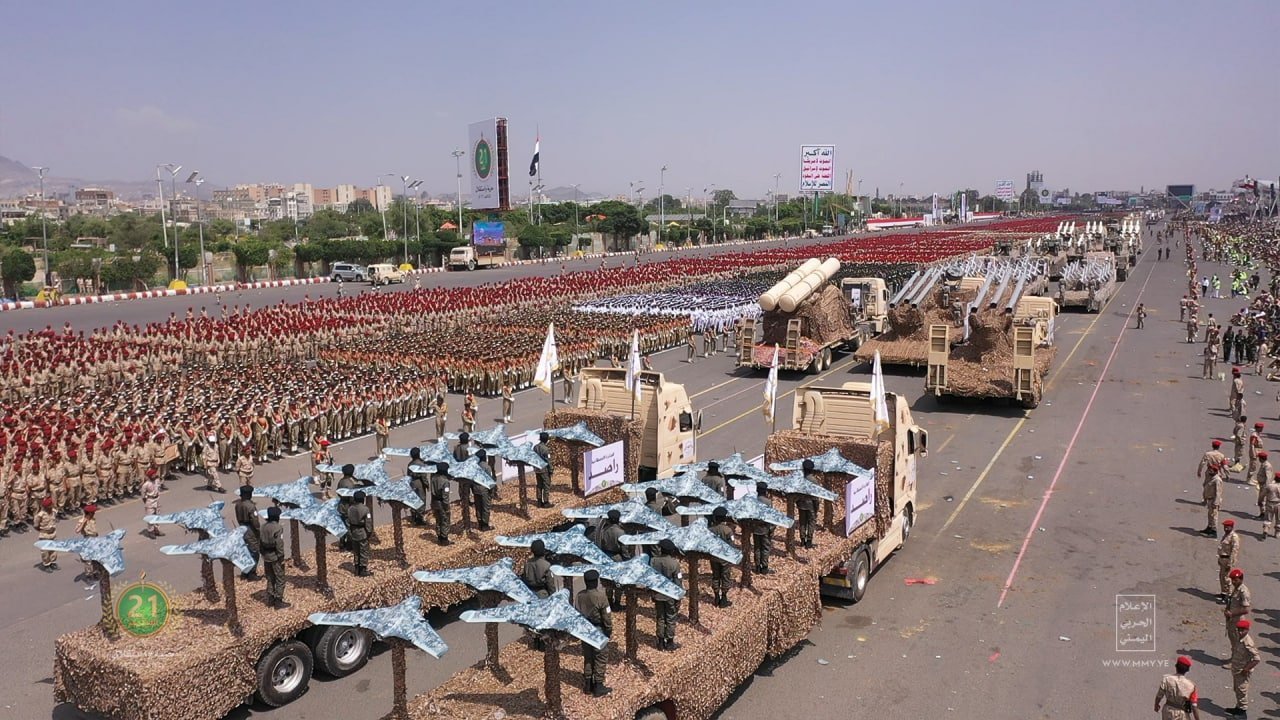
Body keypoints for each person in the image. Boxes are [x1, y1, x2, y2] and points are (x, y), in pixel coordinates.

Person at [575, 568, 612, 697]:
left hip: (585, 630)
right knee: (600, 657)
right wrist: (608, 630)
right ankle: (599, 685)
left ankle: (587, 683)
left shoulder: (579, 596)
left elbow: (577, 613)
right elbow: (606, 616)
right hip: (598, 629)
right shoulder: (601, 596)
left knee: (588, 657)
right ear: (596, 581)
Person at [651, 538, 683, 650]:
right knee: (670, 617)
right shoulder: (674, 563)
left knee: (660, 617)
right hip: (670, 594)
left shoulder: (654, 561)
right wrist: (679, 596)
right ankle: (669, 642)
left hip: (658, 592)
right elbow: (678, 581)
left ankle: (660, 642)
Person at [1229, 619, 1260, 717]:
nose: (1240, 632)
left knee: (1242, 691)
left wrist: (1246, 669)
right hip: (1237, 669)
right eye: (1239, 630)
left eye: (1243, 630)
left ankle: (1242, 713)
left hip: (1242, 671)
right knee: (1237, 689)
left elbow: (1256, 659)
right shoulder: (1240, 638)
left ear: (1247, 630)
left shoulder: (1248, 642)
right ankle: (1238, 708)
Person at [1153, 655, 1200, 720]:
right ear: (1187, 670)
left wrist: (1156, 704)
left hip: (1168, 711)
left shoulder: (1166, 680)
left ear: (1176, 666)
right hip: (1182, 714)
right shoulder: (1191, 686)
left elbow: (1159, 695)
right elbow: (1194, 706)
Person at [709, 506, 735, 607]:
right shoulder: (728, 530)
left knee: (715, 576)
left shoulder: (710, 530)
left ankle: (716, 596)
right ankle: (724, 597)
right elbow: (732, 545)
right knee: (725, 576)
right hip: (725, 557)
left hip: (714, 557)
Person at [261, 506, 287, 607]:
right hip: (275, 556)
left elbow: (260, 543)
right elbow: (279, 544)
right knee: (280, 578)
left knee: (270, 577)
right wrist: (281, 557)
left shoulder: (263, 526)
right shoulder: (278, 528)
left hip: (266, 556)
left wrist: (263, 553)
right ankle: (278, 600)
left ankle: (270, 598)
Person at [234, 485, 261, 579]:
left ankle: (245, 571)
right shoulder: (250, 506)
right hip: (250, 530)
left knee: (246, 551)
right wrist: (258, 531)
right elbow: (255, 522)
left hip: (242, 527)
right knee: (254, 552)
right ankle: (251, 573)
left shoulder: (238, 505)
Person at [1224, 568, 1251, 653]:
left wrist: (1231, 613)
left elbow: (1246, 609)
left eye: (1235, 580)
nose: (1233, 582)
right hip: (1232, 620)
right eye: (1232, 580)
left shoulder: (1243, 592)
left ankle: (1234, 663)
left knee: (1236, 642)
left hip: (1237, 620)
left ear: (1241, 579)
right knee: (1233, 640)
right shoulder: (1236, 589)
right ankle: (1233, 659)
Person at [347, 490, 372, 577]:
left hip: (353, 531)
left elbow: (348, 521)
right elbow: (368, 522)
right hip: (362, 532)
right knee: (363, 550)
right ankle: (363, 569)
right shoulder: (365, 509)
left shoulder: (350, 508)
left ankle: (356, 567)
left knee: (356, 551)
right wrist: (369, 532)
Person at [797, 459, 820, 548]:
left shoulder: (800, 479)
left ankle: (802, 540)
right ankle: (809, 541)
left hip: (801, 503)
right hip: (810, 504)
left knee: (802, 522)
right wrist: (816, 506)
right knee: (811, 522)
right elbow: (816, 495)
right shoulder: (813, 480)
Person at [428, 461, 452, 545]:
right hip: (441, 503)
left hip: (434, 501)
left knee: (438, 520)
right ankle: (444, 539)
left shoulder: (434, 478)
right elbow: (445, 496)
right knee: (445, 520)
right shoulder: (445, 482)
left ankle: (439, 537)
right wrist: (446, 506)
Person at [74, 504, 99, 580]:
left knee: (95, 558)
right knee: (88, 560)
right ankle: (88, 575)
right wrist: (83, 523)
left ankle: (95, 572)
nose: (94, 513)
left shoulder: (93, 519)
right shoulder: (82, 521)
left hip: (94, 539)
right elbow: (77, 531)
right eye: (93, 512)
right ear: (89, 513)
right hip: (87, 540)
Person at [1217, 520, 1240, 602]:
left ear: (1232, 527)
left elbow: (1234, 552)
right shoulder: (1226, 535)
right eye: (1225, 527)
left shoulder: (1234, 537)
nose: (1226, 528)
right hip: (1222, 559)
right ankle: (1223, 593)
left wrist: (1230, 564)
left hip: (1228, 560)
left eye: (1227, 527)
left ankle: (1228, 596)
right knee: (1222, 577)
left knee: (1227, 579)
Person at [752, 481, 773, 573]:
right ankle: (764, 567)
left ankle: (757, 566)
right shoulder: (768, 502)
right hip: (765, 528)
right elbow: (772, 517)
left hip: (755, 528)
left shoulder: (753, 501)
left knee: (757, 547)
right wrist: (771, 529)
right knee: (765, 548)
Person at [34, 497, 58, 572]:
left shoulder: (54, 511)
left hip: (53, 533)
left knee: (53, 549)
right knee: (45, 551)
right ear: (46, 507)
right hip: (44, 534)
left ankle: (53, 562)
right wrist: (43, 531)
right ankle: (47, 564)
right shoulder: (40, 515)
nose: (51, 506)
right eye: (50, 505)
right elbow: (36, 526)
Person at [1202, 459, 1225, 536]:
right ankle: (1209, 527)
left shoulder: (1217, 480)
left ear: (1215, 471)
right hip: (1209, 499)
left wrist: (1216, 502)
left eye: (1211, 471)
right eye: (1209, 470)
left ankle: (1214, 531)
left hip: (1214, 500)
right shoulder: (1211, 478)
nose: (1209, 472)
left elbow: (1218, 492)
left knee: (1214, 516)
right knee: (1210, 515)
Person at [471, 449, 493, 531]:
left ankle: (479, 522)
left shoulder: (475, 466)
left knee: (478, 506)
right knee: (485, 507)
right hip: (484, 489)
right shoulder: (487, 467)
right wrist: (491, 490)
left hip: (476, 488)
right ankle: (485, 525)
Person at [141, 469, 164, 538]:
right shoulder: (146, 484)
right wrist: (147, 501)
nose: (154, 476)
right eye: (152, 475)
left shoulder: (157, 481)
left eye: (154, 474)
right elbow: (143, 495)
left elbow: (159, 487)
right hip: (150, 500)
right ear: (150, 476)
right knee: (150, 517)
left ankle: (157, 530)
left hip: (157, 500)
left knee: (158, 516)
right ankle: (150, 531)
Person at [533, 432, 553, 507]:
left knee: (539, 485)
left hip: (537, 468)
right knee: (546, 485)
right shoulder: (546, 449)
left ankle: (539, 501)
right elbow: (548, 461)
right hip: (544, 469)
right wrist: (551, 470)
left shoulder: (535, 447)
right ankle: (546, 502)